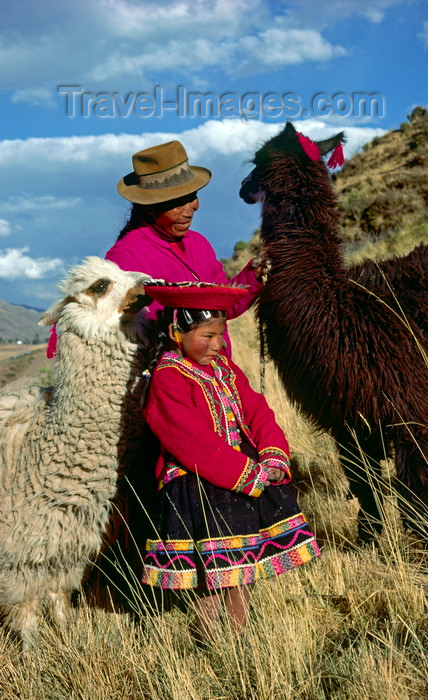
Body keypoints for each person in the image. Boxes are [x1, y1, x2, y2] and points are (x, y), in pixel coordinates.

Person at [140, 281, 320, 642]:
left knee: (242, 567)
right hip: (198, 487)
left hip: (240, 477)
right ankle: (209, 639)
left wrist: (271, 453)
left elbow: (256, 410)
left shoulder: (224, 369)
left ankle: (237, 641)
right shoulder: (168, 377)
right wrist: (246, 473)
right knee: (212, 574)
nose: (218, 345)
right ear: (178, 332)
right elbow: (189, 439)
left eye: (220, 335)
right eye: (207, 336)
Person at [106, 139, 263, 355]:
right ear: (150, 208)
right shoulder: (126, 256)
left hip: (217, 373)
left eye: (192, 197)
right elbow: (132, 332)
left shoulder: (198, 243)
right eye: (178, 202)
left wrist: (257, 271)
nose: (192, 208)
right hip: (171, 380)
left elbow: (224, 305)